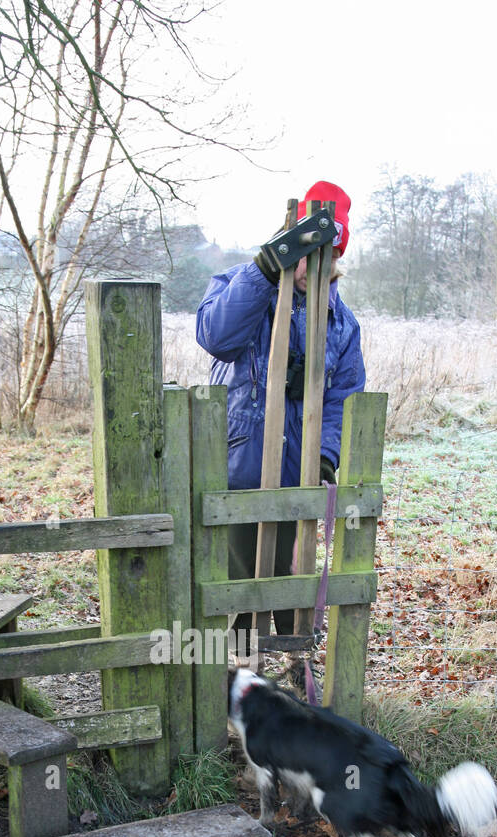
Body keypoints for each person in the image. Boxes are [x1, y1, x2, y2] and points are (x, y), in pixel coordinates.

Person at [196, 180, 366, 642]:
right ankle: (240, 675)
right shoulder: (241, 284)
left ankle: (296, 663)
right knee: (241, 586)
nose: (312, 268)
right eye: (304, 254)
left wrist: (326, 455)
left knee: (295, 587)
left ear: (337, 260)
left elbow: (344, 396)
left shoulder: (340, 321)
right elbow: (217, 337)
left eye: (325, 257)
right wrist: (265, 272)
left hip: (300, 473)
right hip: (240, 466)